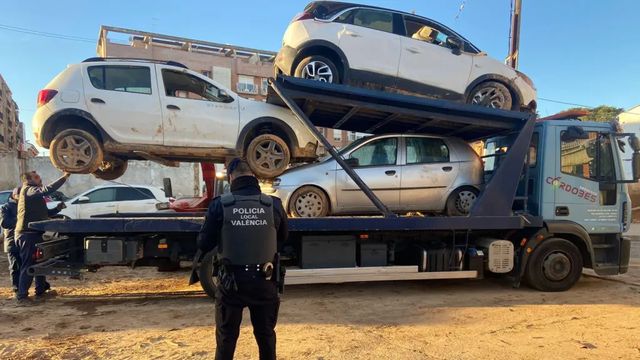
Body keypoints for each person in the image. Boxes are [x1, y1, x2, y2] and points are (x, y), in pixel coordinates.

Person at [198, 158, 288, 360]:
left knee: (226, 340)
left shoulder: (219, 205)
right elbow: (282, 238)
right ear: (254, 176)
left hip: (231, 285)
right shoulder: (272, 204)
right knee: (266, 337)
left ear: (231, 177)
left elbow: (203, 244)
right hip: (265, 281)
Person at [15, 171, 69, 303]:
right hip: (27, 234)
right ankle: (22, 296)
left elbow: (45, 214)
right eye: (37, 177)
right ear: (28, 180)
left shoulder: (34, 195)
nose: (40, 178)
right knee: (28, 264)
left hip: (33, 233)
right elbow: (47, 190)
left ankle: (40, 291)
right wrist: (65, 177)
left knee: (39, 263)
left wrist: (57, 208)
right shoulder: (29, 190)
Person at [1, 187, 21, 295]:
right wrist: (19, 219)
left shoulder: (24, 206)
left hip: (23, 240)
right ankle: (16, 288)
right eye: (18, 194)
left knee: (26, 265)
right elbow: (4, 223)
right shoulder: (6, 207)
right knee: (15, 266)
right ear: (13, 195)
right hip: (12, 241)